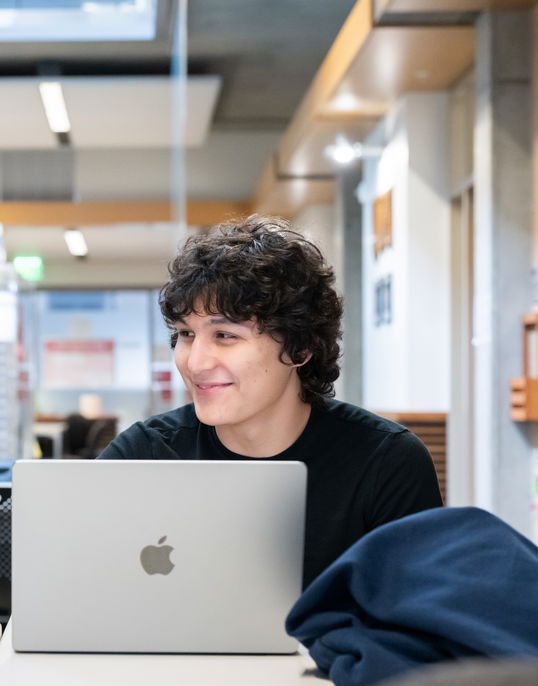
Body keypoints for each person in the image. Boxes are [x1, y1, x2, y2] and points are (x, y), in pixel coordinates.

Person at [98, 215, 442, 588]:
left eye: (225, 335)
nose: (195, 362)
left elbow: (421, 622)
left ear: (300, 348)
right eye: (185, 334)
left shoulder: (386, 462)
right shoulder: (147, 452)